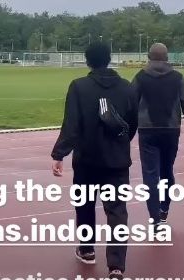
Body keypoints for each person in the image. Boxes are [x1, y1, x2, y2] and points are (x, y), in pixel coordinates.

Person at [50, 43, 138, 280]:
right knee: (117, 212)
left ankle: (87, 250)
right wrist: (120, 144)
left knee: (85, 206)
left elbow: (72, 125)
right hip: (117, 161)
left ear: (87, 60)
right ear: (109, 59)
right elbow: (131, 125)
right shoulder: (128, 88)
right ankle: (117, 266)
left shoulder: (79, 87)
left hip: (86, 159)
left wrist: (59, 154)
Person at [131, 43, 184, 231]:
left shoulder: (140, 77)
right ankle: (164, 209)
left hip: (147, 131)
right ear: (167, 57)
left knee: (150, 175)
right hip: (171, 130)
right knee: (167, 170)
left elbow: (129, 104)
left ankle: (154, 220)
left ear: (148, 57)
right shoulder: (178, 78)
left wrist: (126, 132)